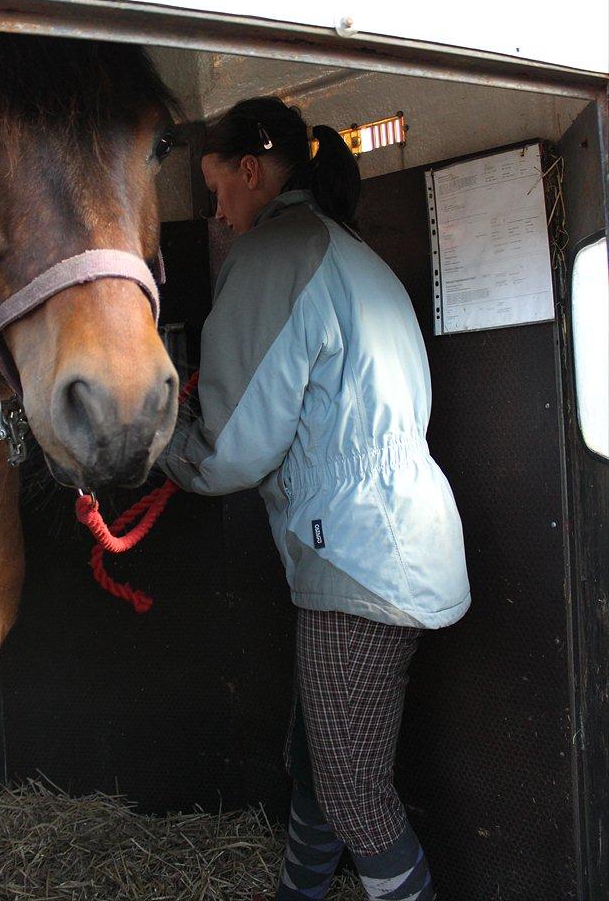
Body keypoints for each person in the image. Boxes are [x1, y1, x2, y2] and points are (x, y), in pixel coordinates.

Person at [158, 97, 470, 901]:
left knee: (354, 796)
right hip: (388, 540)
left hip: (360, 561)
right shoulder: (343, 248)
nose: (215, 210)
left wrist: (159, 443)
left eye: (215, 188)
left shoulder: (274, 254)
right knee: (319, 760)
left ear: (251, 172)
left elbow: (234, 448)